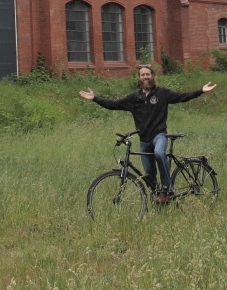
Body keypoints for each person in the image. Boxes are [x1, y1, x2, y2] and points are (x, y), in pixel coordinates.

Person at [79, 64, 216, 203]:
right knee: (149, 174)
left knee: (159, 153)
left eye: (148, 74)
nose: (145, 77)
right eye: (142, 75)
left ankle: (167, 190)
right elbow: (114, 104)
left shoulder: (162, 94)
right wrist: (95, 98)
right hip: (144, 140)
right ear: (139, 78)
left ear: (152, 76)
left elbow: (183, 96)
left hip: (159, 135)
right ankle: (158, 198)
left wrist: (201, 91)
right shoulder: (135, 98)